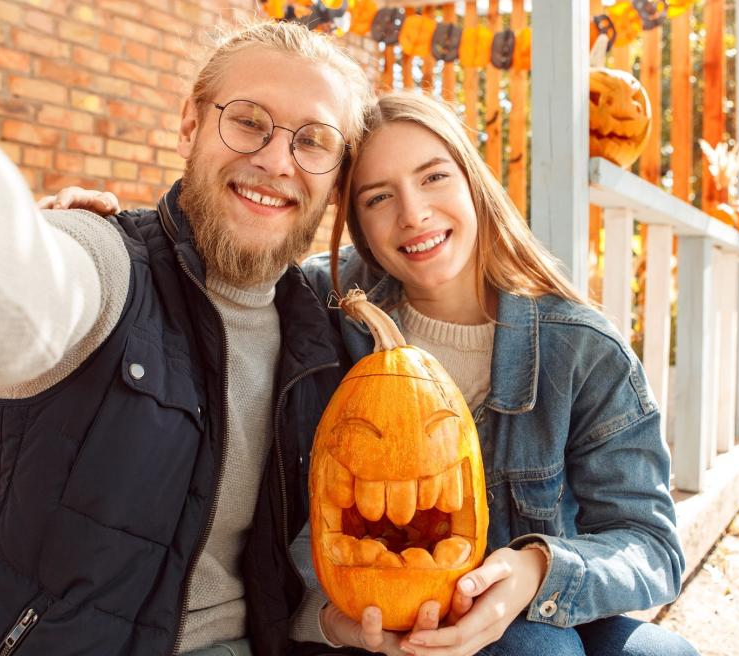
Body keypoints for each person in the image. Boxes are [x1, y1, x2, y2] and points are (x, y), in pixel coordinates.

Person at [52, 90, 699, 656]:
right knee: (537, 648)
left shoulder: (581, 349)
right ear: (355, 222)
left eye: (434, 177)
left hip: (534, 602)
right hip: (384, 620)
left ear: (474, 182)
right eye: (378, 197)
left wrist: (537, 568)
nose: (412, 213)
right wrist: (117, 242)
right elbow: (214, 275)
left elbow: (651, 547)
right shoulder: (325, 313)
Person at [0, 21, 404, 656]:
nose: (277, 160)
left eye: (313, 141)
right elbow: (6, 289)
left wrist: (332, 622)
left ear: (335, 180)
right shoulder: (109, 262)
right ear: (189, 127)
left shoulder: (327, 335)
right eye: (249, 121)